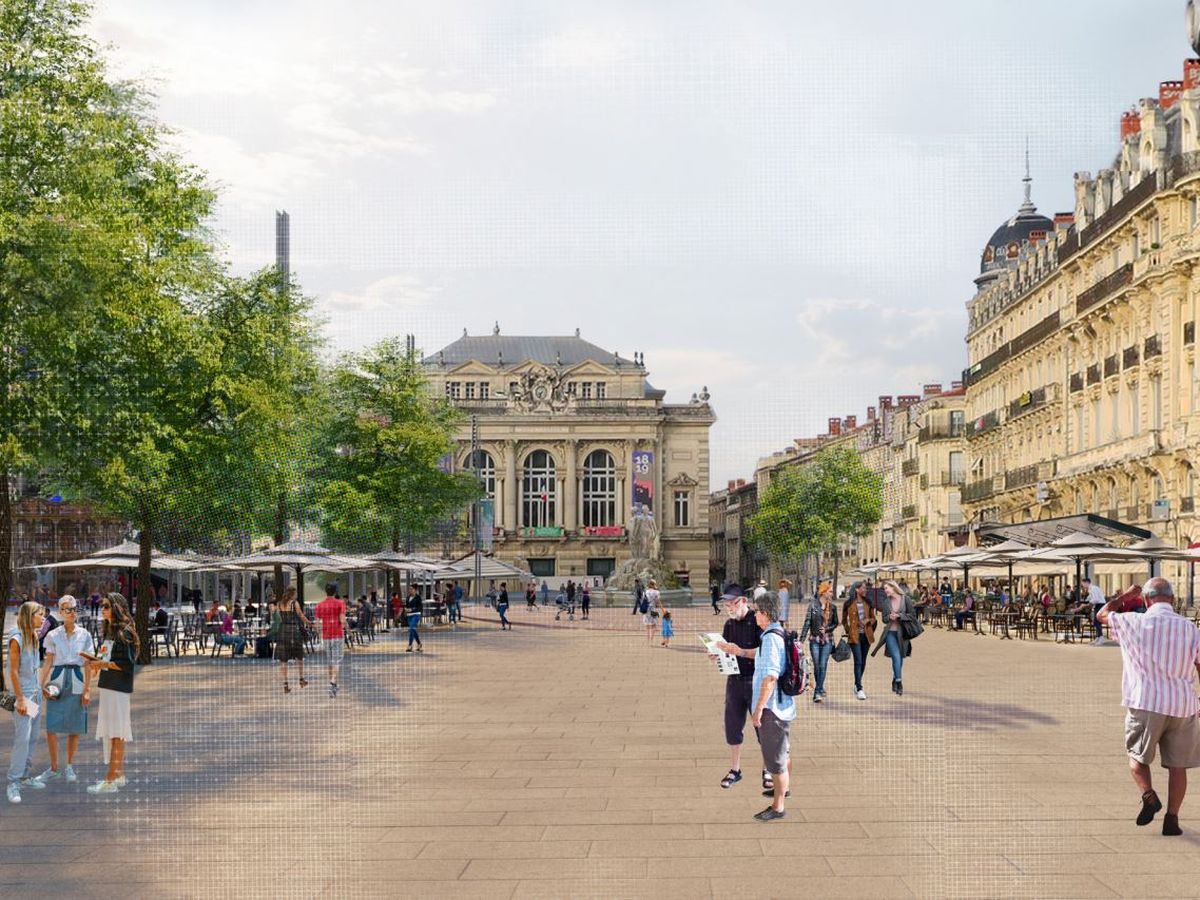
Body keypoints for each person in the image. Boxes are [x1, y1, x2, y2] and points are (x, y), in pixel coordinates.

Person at [1096, 577, 1200, 836]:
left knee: (1137, 758)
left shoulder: (1134, 621)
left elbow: (1102, 614)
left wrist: (1125, 597)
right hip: (1183, 704)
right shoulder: (1189, 627)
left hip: (1146, 702)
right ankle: (1172, 821)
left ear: (1145, 600)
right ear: (1173, 600)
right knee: (1178, 767)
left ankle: (1150, 796)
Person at [712, 585, 767, 794]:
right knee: (733, 727)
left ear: (744, 601)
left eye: (733, 603)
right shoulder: (728, 625)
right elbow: (727, 653)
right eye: (726, 604)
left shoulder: (758, 621)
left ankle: (768, 770)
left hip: (756, 681)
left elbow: (767, 651)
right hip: (734, 682)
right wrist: (717, 654)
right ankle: (735, 770)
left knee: (763, 727)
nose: (729, 607)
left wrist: (742, 652)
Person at [84, 593, 138, 795]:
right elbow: (109, 658)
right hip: (108, 687)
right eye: (102, 605)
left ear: (116, 607)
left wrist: (102, 664)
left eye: (106, 606)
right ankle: (119, 775)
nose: (103, 609)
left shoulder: (125, 633)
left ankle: (110, 779)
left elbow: (126, 664)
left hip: (117, 689)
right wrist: (97, 663)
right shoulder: (110, 633)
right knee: (115, 732)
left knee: (116, 733)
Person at [36, 595, 94, 785]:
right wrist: (39, 685)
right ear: (60, 612)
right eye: (67, 609)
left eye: (74, 608)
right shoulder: (53, 635)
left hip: (77, 678)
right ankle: (54, 768)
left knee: (74, 726)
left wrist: (87, 690)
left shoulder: (85, 634)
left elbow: (88, 664)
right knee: (52, 725)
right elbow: (48, 662)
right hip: (58, 679)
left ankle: (69, 765)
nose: (72, 612)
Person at [749, 590, 794, 821]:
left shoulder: (769, 638)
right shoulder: (778, 632)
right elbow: (762, 658)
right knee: (783, 752)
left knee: (775, 761)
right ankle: (783, 790)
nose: (754, 615)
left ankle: (778, 806)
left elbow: (770, 678)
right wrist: (737, 651)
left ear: (765, 614)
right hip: (783, 705)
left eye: (756, 612)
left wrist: (758, 711)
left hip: (772, 709)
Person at [7, 602, 48, 804]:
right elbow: (13, 670)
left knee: (32, 738)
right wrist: (21, 698)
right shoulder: (17, 638)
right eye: (40, 615)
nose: (43, 619)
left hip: (35, 694)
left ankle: (24, 776)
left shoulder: (33, 636)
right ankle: (13, 782)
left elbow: (34, 667)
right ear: (29, 616)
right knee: (22, 739)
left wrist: (42, 687)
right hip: (24, 696)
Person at [871, 579, 918, 696]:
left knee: (900, 658)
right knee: (896, 657)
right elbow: (884, 619)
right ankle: (899, 682)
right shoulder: (886, 602)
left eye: (887, 588)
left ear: (893, 588)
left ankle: (895, 678)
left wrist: (899, 616)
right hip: (890, 634)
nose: (885, 591)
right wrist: (889, 618)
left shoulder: (905, 599)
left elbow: (912, 616)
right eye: (884, 589)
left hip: (903, 634)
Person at [798, 582, 838, 703]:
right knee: (816, 666)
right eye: (830, 591)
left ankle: (818, 691)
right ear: (823, 592)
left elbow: (836, 623)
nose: (831, 593)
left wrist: (827, 629)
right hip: (814, 639)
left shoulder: (833, 607)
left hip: (828, 640)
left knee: (822, 665)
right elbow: (807, 623)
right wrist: (801, 640)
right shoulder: (813, 606)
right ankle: (820, 686)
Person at [842, 581, 876, 701]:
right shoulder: (849, 603)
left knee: (863, 661)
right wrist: (848, 630)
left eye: (865, 588)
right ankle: (860, 688)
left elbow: (874, 619)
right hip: (854, 636)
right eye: (863, 588)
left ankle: (857, 683)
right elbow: (844, 620)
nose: (865, 589)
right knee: (858, 661)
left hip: (866, 636)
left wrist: (868, 621)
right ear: (857, 589)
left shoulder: (868, 602)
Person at [315, 584, 348, 698]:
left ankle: (333, 684)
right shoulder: (340, 603)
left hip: (326, 635)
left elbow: (318, 623)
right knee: (336, 660)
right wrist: (346, 629)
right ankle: (332, 682)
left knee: (330, 660)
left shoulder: (320, 605)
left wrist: (320, 634)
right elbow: (342, 620)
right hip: (337, 634)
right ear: (335, 591)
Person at [275, 587, 311, 693]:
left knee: (283, 659)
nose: (296, 595)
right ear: (292, 593)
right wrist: (309, 623)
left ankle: (285, 684)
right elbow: (300, 615)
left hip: (283, 631)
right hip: (293, 631)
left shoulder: (279, 604)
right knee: (299, 656)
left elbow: (279, 619)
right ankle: (301, 679)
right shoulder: (294, 603)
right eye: (295, 593)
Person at [1083, 577, 1108, 644]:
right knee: (1095, 622)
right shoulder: (1091, 589)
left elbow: (1096, 599)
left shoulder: (1093, 588)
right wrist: (1085, 601)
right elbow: (1090, 598)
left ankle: (1101, 638)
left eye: (1083, 584)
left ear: (1087, 583)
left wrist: (1088, 604)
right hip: (1098, 605)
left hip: (1100, 605)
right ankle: (1098, 637)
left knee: (1097, 622)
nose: (1083, 585)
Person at [643, 579, 661, 645]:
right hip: (653, 609)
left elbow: (643, 600)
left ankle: (647, 640)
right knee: (654, 625)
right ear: (654, 585)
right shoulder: (657, 592)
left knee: (647, 625)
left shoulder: (645, 592)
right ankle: (651, 639)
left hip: (646, 609)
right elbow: (657, 601)